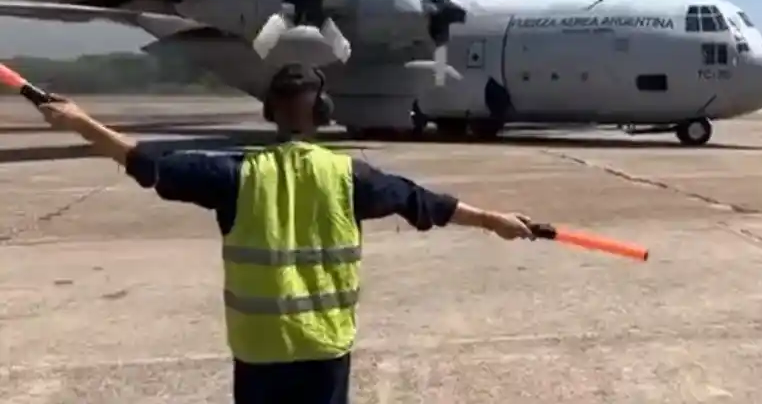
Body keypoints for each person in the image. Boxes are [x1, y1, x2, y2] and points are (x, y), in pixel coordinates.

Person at [36, 63, 536, 404]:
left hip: (260, 350)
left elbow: (143, 161)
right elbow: (429, 205)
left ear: (269, 112)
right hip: (324, 349)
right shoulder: (351, 176)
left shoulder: (234, 175)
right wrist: (498, 221)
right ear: (323, 114)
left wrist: (81, 121)